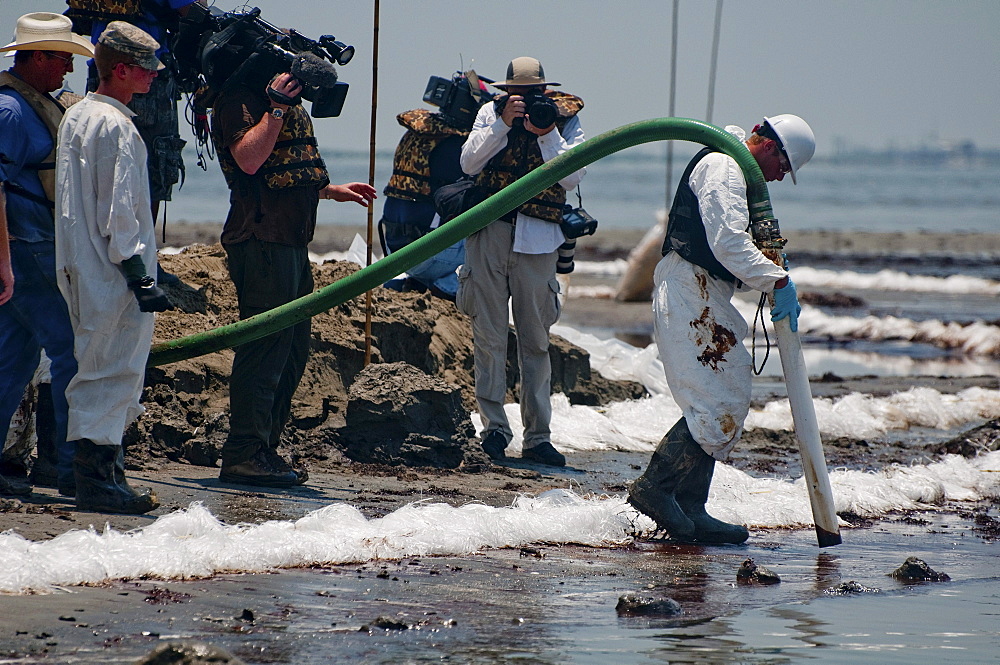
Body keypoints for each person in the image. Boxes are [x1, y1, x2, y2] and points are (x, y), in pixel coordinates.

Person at [628, 114, 815, 544]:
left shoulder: (734, 170)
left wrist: (768, 275)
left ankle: (692, 507)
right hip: (688, 290)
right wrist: (778, 281)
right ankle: (654, 489)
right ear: (769, 148)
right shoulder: (723, 166)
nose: (780, 178)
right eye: (783, 168)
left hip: (702, 290)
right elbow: (728, 242)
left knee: (723, 395)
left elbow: (731, 250)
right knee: (717, 402)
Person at [211, 67, 376, 488]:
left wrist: (329, 189)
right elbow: (249, 160)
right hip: (262, 239)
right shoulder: (240, 100)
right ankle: (244, 453)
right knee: (264, 349)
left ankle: (263, 449)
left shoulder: (269, 105)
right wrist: (279, 108)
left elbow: (280, 170)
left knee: (291, 351)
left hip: (288, 242)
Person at [55, 21, 174, 514]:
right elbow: (119, 210)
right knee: (114, 370)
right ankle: (99, 483)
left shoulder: (77, 115)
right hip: (112, 271)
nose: (153, 77)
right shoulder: (118, 126)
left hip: (80, 263)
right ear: (121, 69)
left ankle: (100, 475)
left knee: (94, 364)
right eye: (145, 68)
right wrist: (138, 275)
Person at [458, 57, 585, 467]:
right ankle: (494, 430)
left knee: (535, 341)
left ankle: (538, 437)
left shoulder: (565, 118)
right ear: (505, 91)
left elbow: (571, 176)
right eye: (518, 94)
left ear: (546, 91)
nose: (527, 102)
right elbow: (468, 164)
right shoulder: (490, 112)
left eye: (534, 95)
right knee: (490, 337)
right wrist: (502, 124)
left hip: (540, 238)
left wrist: (546, 133)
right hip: (490, 232)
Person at [0, 12, 94, 498]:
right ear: (36, 57)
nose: (67, 71)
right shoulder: (12, 112)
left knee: (13, 359)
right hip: (26, 251)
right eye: (61, 59)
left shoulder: (24, 105)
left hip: (27, 250)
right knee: (71, 351)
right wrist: (4, 260)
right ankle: (63, 464)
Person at [65, 0, 204, 285]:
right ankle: (142, 260)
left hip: (104, 66)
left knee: (100, 165)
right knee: (153, 161)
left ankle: (112, 255)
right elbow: (189, 10)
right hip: (146, 67)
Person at [380, 70, 493, 301]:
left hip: (393, 249)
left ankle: (416, 282)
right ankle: (446, 287)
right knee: (498, 242)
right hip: (427, 252)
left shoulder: (415, 135)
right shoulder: (460, 146)